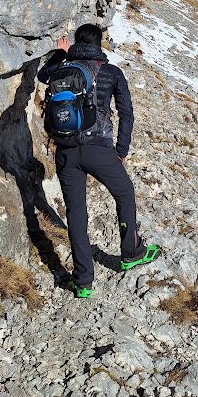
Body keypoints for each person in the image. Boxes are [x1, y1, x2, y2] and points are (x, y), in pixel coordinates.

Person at [38, 23, 160, 298]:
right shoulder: (111, 72)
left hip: (66, 149)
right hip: (99, 149)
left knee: (76, 214)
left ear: (77, 43)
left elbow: (43, 75)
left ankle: (83, 282)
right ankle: (131, 252)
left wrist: (61, 54)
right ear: (99, 44)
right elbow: (126, 114)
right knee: (125, 193)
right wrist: (121, 151)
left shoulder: (62, 70)